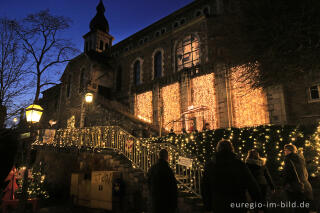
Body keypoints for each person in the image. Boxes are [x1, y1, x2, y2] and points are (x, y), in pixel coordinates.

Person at [201, 140, 263, 213]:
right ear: (231, 149)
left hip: (219, 204)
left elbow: (205, 187)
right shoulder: (239, 165)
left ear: (218, 149)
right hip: (238, 203)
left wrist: (208, 206)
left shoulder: (210, 166)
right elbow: (252, 184)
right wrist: (259, 204)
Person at [283, 144, 313, 213]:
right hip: (305, 185)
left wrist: (285, 183)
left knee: (296, 208)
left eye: (285, 150)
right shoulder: (301, 159)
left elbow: (289, 173)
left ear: (289, 151)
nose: (284, 152)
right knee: (304, 208)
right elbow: (305, 173)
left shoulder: (289, 159)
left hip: (295, 186)